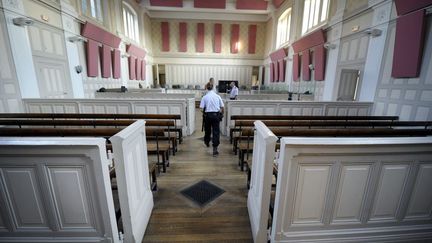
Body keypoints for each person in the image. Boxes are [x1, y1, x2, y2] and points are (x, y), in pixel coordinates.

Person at [200, 83, 224, 156]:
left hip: (208, 116)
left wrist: (204, 112)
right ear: (213, 87)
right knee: (216, 132)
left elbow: (201, 109)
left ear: (207, 88)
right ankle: (215, 150)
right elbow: (222, 107)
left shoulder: (205, 97)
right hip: (216, 115)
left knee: (207, 130)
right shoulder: (217, 96)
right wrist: (221, 114)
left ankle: (207, 142)